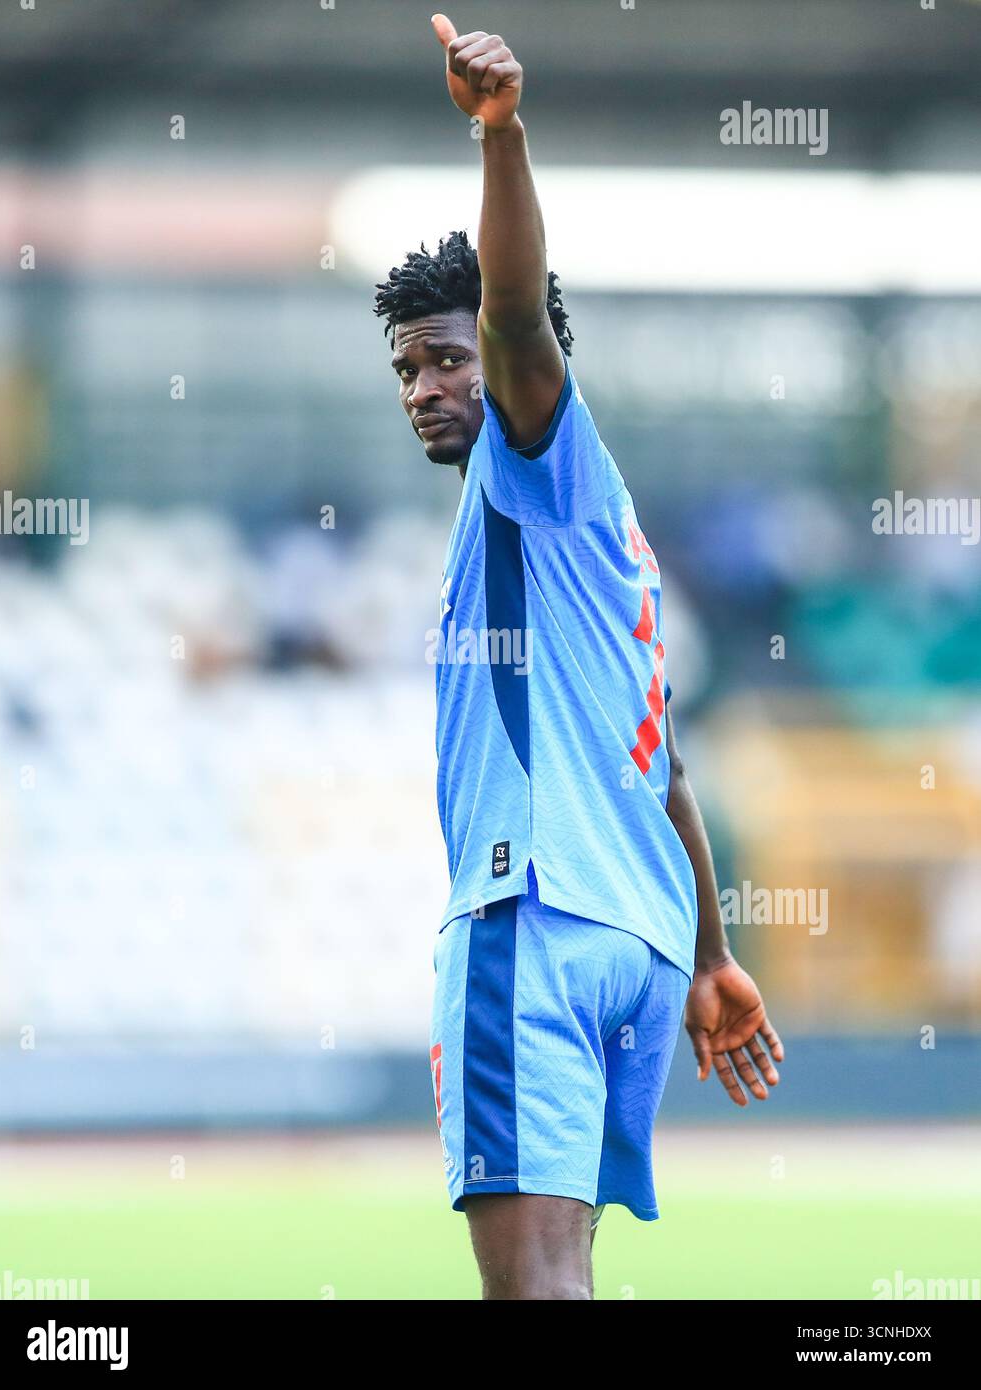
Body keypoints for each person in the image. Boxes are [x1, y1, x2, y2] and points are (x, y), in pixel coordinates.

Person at [373, 14, 784, 1301]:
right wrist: (712, 952)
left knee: (531, 1286)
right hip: (645, 943)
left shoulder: (535, 464)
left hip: (531, 918)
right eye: (404, 367)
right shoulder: (606, 547)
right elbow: (663, 770)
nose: (424, 387)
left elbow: (511, 310)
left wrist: (499, 136)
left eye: (443, 359)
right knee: (565, 1277)